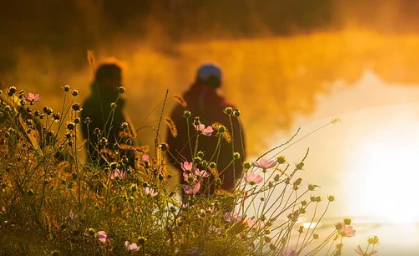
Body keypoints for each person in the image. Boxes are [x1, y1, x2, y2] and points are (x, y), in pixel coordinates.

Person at [166, 63, 246, 195]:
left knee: (191, 214)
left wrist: (186, 169)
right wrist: (234, 173)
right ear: (219, 82)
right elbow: (239, 146)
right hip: (224, 180)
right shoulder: (227, 109)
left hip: (190, 180)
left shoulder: (181, 107)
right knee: (222, 215)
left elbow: (171, 145)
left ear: (197, 79)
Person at [81, 59, 136, 168]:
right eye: (118, 80)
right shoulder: (102, 105)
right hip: (108, 168)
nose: (121, 84)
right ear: (106, 80)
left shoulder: (110, 103)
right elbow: (114, 138)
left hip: (105, 167)